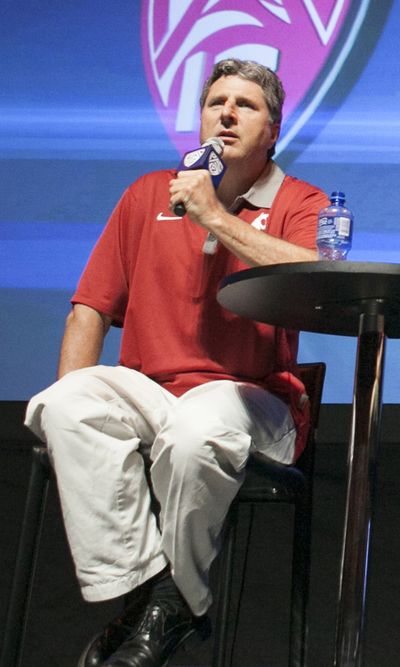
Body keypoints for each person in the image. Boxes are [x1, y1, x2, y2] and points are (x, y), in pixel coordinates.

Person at [25, 59, 329, 667]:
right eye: (215, 101)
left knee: (198, 431)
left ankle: (162, 607)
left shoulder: (301, 201)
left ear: (273, 131)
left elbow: (307, 278)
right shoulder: (147, 194)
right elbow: (88, 311)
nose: (226, 113)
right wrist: (78, 432)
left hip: (253, 396)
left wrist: (215, 214)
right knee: (60, 404)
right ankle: (157, 599)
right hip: (151, 391)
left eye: (246, 104)